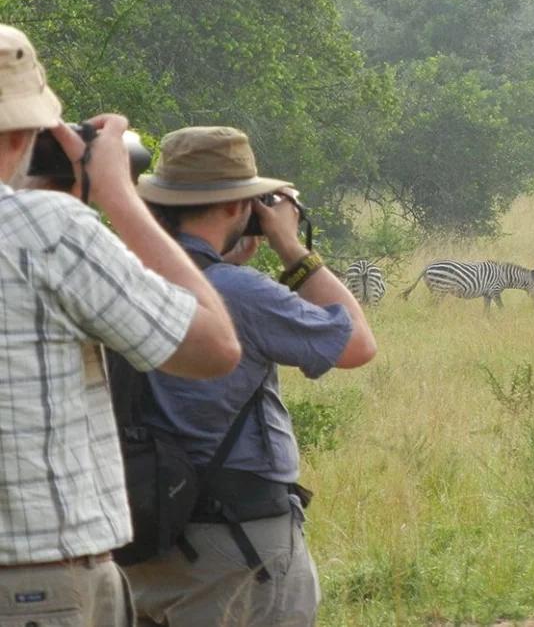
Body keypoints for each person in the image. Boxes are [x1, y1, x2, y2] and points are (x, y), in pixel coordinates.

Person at [0, 25, 242, 626]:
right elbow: (212, 347)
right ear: (23, 135)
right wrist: (116, 194)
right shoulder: (47, 231)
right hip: (37, 577)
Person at [119, 125, 377, 627]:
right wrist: (291, 248)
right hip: (235, 541)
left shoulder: (122, 276)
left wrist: (221, 253)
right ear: (238, 205)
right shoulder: (240, 291)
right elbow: (357, 344)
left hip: (140, 537)